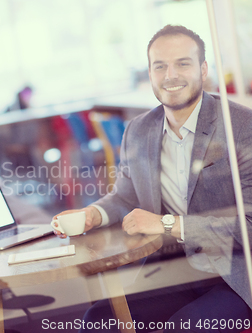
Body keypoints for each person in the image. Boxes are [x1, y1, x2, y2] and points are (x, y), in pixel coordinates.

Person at [53, 25, 252, 331]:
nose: (170, 75)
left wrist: (169, 224)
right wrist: (93, 213)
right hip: (176, 270)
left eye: (182, 63)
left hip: (238, 273)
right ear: (150, 74)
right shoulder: (138, 130)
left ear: (203, 70)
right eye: (160, 66)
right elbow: (125, 195)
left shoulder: (241, 126)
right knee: (98, 322)